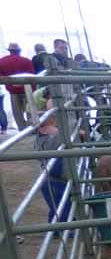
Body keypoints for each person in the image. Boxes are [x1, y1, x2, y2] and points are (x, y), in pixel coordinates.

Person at [31, 88, 72, 222]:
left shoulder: (49, 134)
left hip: (53, 176)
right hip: (54, 177)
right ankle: (60, 228)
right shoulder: (54, 135)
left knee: (61, 205)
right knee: (61, 205)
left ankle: (58, 227)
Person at [0, 42, 35, 132]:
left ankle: (22, 130)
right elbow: (32, 76)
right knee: (30, 110)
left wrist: (10, 83)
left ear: (10, 51)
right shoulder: (27, 61)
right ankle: (33, 128)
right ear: (19, 51)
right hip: (27, 89)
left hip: (13, 91)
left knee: (17, 112)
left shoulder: (2, 61)